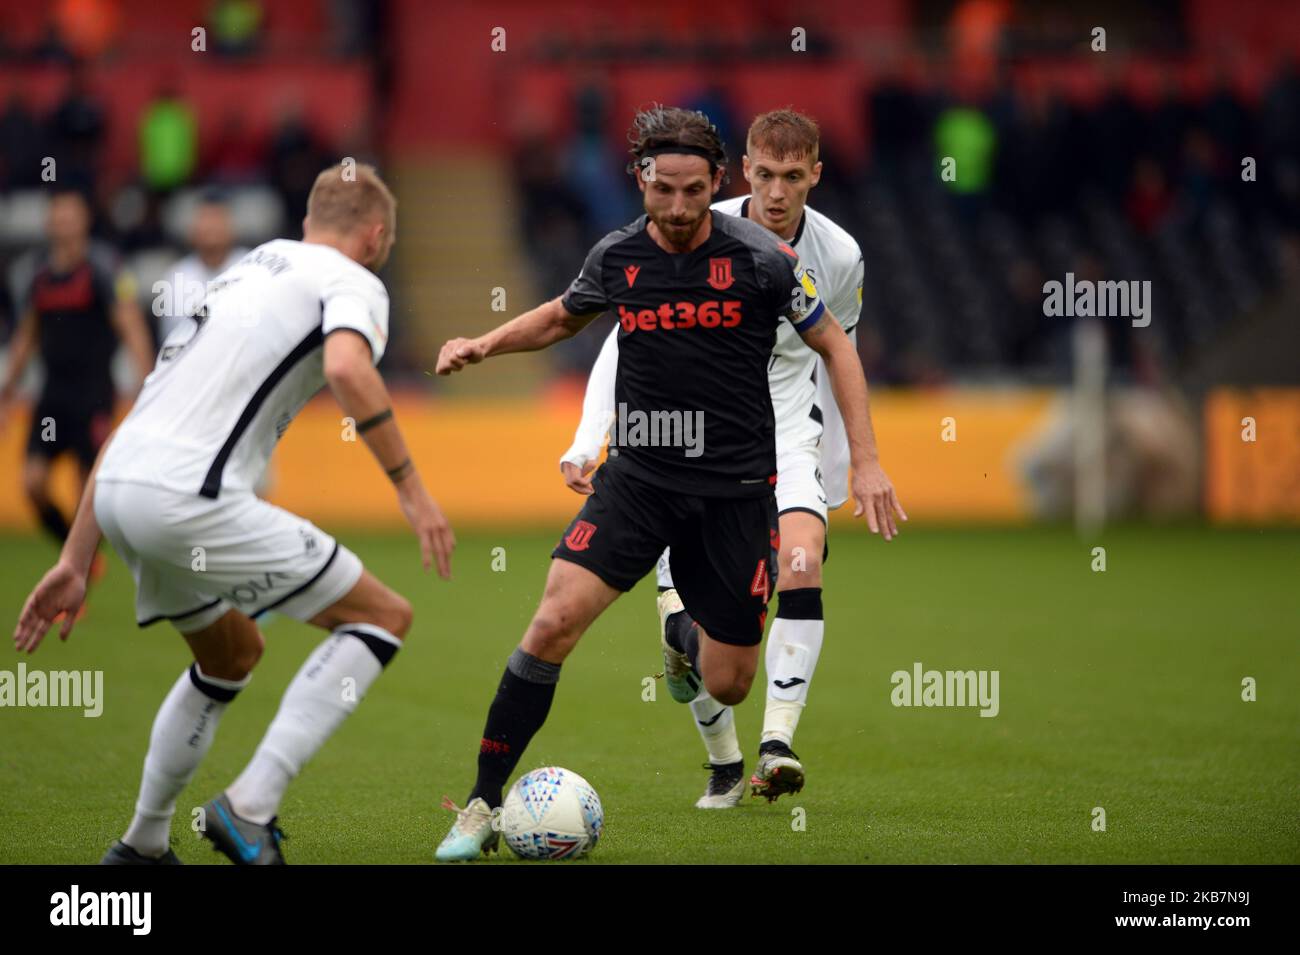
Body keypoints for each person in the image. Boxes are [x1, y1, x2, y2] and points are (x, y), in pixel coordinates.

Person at [432, 106, 903, 861]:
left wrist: (868, 459)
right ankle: (482, 803)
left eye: (693, 191)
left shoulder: (762, 260)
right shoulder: (618, 256)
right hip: (642, 480)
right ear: (641, 182)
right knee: (552, 620)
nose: (679, 209)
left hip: (737, 490)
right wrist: (484, 345)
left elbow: (834, 346)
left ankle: (682, 632)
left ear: (716, 181)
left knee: (732, 679)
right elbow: (563, 319)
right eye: (663, 191)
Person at [12, 163, 455, 865]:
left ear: (309, 222)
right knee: (383, 616)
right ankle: (250, 806)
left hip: (125, 486)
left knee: (232, 654)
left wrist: (74, 557)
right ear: (374, 237)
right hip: (190, 498)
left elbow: (138, 418)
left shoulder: (239, 277)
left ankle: (144, 844)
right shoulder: (352, 280)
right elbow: (347, 367)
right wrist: (411, 488)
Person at [560, 109, 896, 807]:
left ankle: (776, 742)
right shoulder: (694, 227)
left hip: (783, 427)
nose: (777, 193)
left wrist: (853, 465)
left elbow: (842, 356)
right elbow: (621, 340)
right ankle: (721, 758)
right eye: (765, 175)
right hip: (687, 436)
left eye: (793, 177)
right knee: (710, 642)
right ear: (744, 170)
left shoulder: (839, 256)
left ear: (816, 177)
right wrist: (588, 437)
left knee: (801, 561)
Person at [0, 190, 153, 583]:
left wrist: (147, 383)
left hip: (93, 394)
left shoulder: (104, 270)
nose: (64, 223)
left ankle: (77, 567)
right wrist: (8, 391)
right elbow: (26, 338)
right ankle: (77, 555)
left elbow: (131, 326)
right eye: (58, 216)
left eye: (71, 215)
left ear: (84, 220)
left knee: (88, 490)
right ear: (49, 223)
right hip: (52, 395)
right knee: (33, 483)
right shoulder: (39, 277)